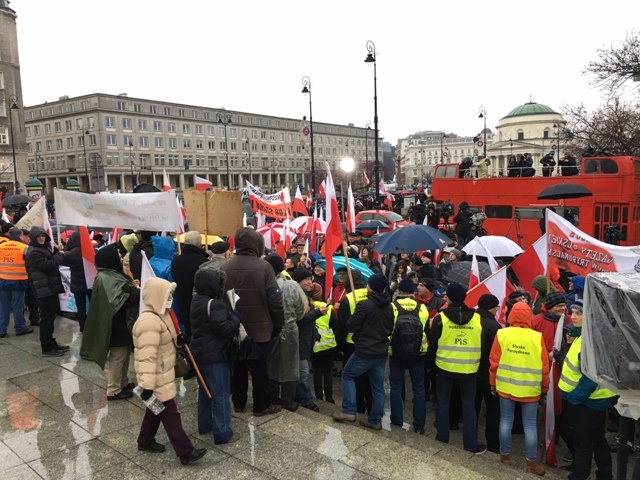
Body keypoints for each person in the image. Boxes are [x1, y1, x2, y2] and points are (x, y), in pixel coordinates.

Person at [133, 277, 207, 465]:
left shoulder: (161, 313)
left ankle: (145, 441)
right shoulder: (148, 322)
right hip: (154, 378)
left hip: (162, 373)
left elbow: (166, 339)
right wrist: (147, 386)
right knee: (170, 414)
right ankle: (185, 452)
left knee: (154, 410)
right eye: (167, 295)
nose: (170, 298)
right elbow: (146, 358)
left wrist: (178, 342)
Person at [221, 228, 284, 416]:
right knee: (259, 368)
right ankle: (261, 405)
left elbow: (223, 297)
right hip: (261, 327)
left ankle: (238, 402)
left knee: (238, 366)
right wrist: (278, 323)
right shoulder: (264, 267)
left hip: (235, 326)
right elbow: (275, 299)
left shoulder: (225, 267)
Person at [426, 282, 487, 454]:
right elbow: (482, 347)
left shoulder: (441, 318)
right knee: (468, 407)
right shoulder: (477, 319)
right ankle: (471, 444)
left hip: (444, 368)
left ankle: (441, 439)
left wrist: (429, 367)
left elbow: (433, 346)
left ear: (450, 298)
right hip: (469, 370)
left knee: (443, 403)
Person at [558, 299, 616, 480]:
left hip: (586, 402)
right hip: (593, 401)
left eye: (578, 313)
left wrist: (575, 399)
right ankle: (604, 475)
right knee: (598, 440)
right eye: (572, 312)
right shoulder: (590, 335)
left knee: (583, 443)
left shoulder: (591, 341)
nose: (572, 316)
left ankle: (580, 476)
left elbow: (590, 377)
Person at [490, 302, 549, 476]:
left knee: (505, 421)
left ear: (512, 316)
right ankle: (531, 464)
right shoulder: (537, 337)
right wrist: (544, 388)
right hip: (530, 389)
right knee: (530, 425)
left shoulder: (502, 334)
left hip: (505, 385)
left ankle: (505, 457)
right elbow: (544, 367)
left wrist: (493, 383)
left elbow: (494, 363)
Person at [332, 273, 394, 431]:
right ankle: (375, 420)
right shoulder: (389, 305)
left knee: (347, 375)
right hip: (381, 351)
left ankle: (348, 411)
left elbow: (351, 325)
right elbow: (390, 327)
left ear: (371, 287)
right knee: (377, 387)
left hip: (365, 350)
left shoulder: (364, 304)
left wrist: (356, 318)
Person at [81, 243, 140, 400]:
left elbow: (119, 292)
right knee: (118, 356)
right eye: (118, 256)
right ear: (110, 259)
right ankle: (113, 390)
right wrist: (137, 293)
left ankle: (123, 382)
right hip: (115, 324)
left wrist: (131, 286)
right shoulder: (107, 277)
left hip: (120, 322)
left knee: (125, 353)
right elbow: (120, 301)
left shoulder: (110, 274)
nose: (120, 258)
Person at [190, 268, 241, 445]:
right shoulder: (215, 304)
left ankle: (204, 425)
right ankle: (223, 432)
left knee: (205, 391)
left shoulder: (196, 300)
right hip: (215, 355)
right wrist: (235, 316)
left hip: (199, 353)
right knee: (220, 393)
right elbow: (225, 329)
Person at [389, 277, 429, 434]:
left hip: (396, 352)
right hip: (418, 353)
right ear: (413, 292)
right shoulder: (422, 308)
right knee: (419, 389)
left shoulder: (392, 307)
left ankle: (397, 421)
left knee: (396, 387)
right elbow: (426, 329)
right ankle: (419, 425)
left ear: (399, 291)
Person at [265, 254, 305, 412]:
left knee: (271, 365)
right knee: (289, 366)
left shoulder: (264, 284)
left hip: (270, 330)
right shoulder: (292, 285)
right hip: (289, 330)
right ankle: (288, 401)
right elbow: (301, 309)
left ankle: (273, 398)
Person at [24, 226, 68, 357]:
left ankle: (51, 342)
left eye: (43, 235)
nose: (41, 238)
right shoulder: (34, 252)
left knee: (50, 317)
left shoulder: (42, 248)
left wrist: (55, 251)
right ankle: (47, 347)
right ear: (33, 238)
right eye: (38, 236)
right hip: (44, 290)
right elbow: (48, 265)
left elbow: (49, 259)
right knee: (46, 319)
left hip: (49, 288)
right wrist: (59, 254)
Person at [291, 267, 323, 411]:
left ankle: (298, 395)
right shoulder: (297, 297)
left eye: (311, 279)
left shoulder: (307, 295)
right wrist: (317, 313)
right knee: (303, 373)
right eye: (307, 280)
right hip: (298, 341)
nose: (310, 282)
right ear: (298, 282)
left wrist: (315, 333)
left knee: (301, 371)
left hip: (306, 340)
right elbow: (299, 320)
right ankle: (307, 400)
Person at [474, 294, 502, 453]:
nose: (498, 308)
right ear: (491, 307)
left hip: (472, 370)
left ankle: (471, 438)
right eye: (497, 306)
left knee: (473, 408)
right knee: (493, 412)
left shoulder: (472, 320)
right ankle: (493, 445)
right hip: (489, 373)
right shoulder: (494, 327)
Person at [171, 231, 209, 337]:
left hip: (182, 304)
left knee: (188, 333)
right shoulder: (203, 262)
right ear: (199, 244)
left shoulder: (175, 261)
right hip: (199, 306)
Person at [0, 227, 33, 338]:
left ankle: (1, 329)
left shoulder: (1, 246)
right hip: (18, 280)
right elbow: (30, 263)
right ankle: (20, 328)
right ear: (20, 236)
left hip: (3, 280)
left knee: (4, 305)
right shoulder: (24, 247)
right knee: (17, 305)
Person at [310, 283, 338, 403]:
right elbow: (334, 324)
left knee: (317, 372)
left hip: (315, 345)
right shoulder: (329, 307)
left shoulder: (309, 306)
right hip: (329, 344)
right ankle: (329, 398)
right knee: (327, 372)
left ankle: (319, 398)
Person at [60, 231, 91, 333]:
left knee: (81, 308)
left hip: (77, 284)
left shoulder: (69, 254)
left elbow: (62, 261)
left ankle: (83, 328)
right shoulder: (91, 251)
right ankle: (94, 327)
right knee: (93, 307)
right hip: (91, 284)